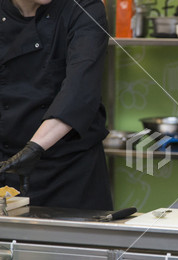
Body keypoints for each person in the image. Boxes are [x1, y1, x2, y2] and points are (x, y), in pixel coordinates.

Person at [0, 0, 113, 210]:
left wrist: (34, 148)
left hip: (71, 174)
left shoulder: (84, 7)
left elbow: (80, 89)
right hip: (7, 167)